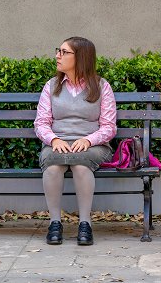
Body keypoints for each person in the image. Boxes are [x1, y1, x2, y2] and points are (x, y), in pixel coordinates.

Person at [34, 37, 117, 246]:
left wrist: (88, 140)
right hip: (57, 144)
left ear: (80, 57)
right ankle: (54, 223)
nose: (57, 56)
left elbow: (109, 126)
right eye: (58, 50)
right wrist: (53, 139)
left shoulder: (101, 86)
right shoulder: (51, 86)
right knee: (52, 166)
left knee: (81, 165)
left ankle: (85, 224)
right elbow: (41, 122)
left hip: (94, 146)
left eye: (64, 52)